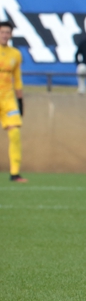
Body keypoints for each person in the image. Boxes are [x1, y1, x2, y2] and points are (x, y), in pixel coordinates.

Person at [0, 20, 26, 183]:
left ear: (11, 35)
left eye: (7, 32)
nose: (4, 35)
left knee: (15, 133)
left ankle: (14, 173)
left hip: (8, 98)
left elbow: (17, 79)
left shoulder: (15, 54)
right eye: (2, 32)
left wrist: (20, 101)